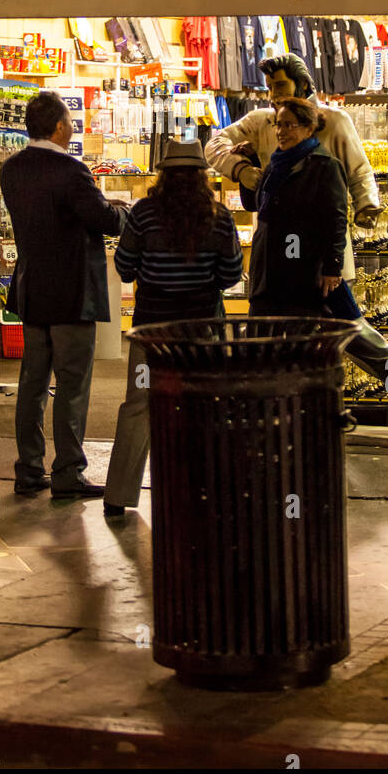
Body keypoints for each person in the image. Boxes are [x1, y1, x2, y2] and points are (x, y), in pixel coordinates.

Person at [205, 51, 388, 429]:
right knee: (308, 330)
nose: (275, 98)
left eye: (280, 86)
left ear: (304, 86)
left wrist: (366, 208)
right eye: (270, 89)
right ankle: (308, 406)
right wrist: (241, 169)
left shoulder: (333, 126)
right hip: (278, 254)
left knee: (339, 326)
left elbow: (358, 172)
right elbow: (215, 144)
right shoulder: (263, 122)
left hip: (319, 252)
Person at [103, 140, 243, 519]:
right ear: (202, 177)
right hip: (202, 334)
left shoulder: (143, 213)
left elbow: (125, 266)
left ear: (163, 175)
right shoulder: (218, 217)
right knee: (203, 407)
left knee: (139, 406)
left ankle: (118, 495)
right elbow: (231, 275)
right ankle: (202, 492)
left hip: (152, 332)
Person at [0, 92, 128, 499]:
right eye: (70, 120)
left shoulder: (11, 170)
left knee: (32, 384)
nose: (73, 126)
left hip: (33, 290)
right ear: (57, 127)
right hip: (72, 292)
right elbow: (105, 220)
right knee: (72, 386)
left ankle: (29, 470)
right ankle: (69, 472)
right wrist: (124, 208)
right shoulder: (71, 171)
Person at [247, 97, 363, 322]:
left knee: (297, 336)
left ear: (309, 128)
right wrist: (248, 161)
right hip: (267, 269)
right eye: (278, 124)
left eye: (289, 125)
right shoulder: (275, 164)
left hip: (299, 265)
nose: (281, 131)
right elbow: (258, 205)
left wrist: (332, 266)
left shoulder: (324, 166)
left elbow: (336, 219)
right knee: (260, 340)